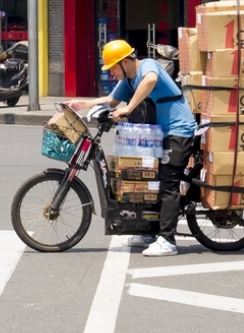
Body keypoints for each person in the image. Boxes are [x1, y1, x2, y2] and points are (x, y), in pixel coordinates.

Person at [65, 40, 197, 257]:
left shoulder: (147, 66)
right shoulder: (128, 79)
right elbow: (111, 100)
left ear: (125, 61)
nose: (112, 72)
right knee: (148, 182)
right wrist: (82, 104)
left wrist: (130, 106)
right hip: (157, 135)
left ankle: (168, 240)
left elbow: (151, 80)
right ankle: (149, 233)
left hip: (178, 131)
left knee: (167, 183)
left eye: (113, 68)